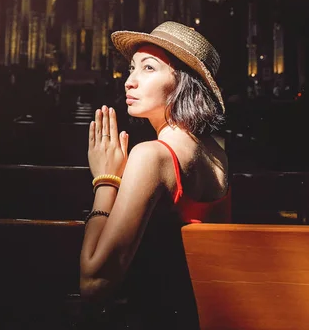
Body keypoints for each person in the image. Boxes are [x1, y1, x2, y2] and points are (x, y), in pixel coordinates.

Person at [79, 21, 230, 329]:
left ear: (183, 83)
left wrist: (105, 179)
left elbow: (94, 283)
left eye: (148, 68)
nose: (129, 82)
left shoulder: (152, 156)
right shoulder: (217, 152)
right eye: (132, 68)